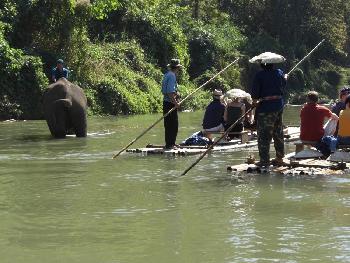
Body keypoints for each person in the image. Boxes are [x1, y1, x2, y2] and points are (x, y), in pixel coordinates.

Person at [251, 63, 287, 167]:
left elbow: (255, 95)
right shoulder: (279, 72)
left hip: (266, 109)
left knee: (263, 134)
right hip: (279, 106)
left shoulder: (259, 75)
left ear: (262, 65)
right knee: (278, 132)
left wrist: (255, 103)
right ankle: (280, 157)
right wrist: (285, 78)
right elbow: (283, 85)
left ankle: (264, 160)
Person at [161, 59, 182, 149]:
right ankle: (170, 144)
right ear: (177, 68)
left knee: (168, 124)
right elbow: (169, 92)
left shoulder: (166, 74)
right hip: (170, 103)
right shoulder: (172, 75)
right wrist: (176, 103)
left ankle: (170, 143)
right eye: (178, 68)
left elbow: (166, 90)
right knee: (173, 125)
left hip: (166, 102)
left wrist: (177, 94)